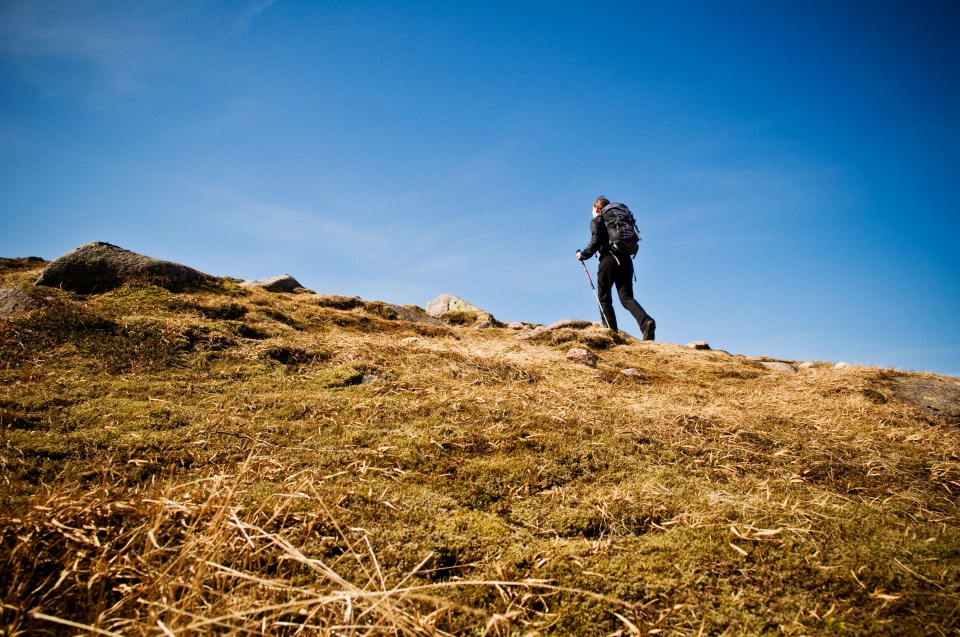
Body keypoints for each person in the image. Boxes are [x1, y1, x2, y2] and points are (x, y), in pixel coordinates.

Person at [576, 196, 656, 340]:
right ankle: (646, 322)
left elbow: (595, 241)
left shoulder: (597, 220)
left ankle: (611, 332)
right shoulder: (619, 220)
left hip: (608, 260)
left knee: (604, 297)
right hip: (626, 260)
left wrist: (583, 255)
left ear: (596, 208)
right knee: (626, 297)